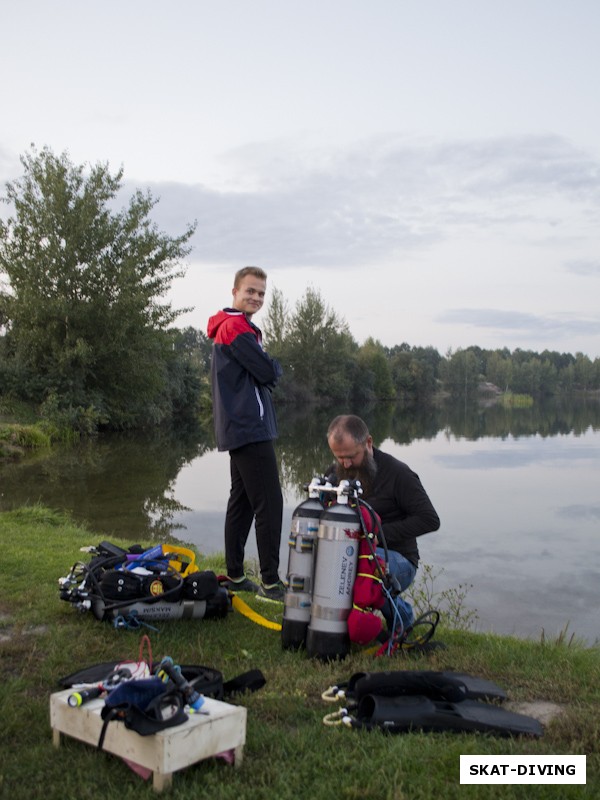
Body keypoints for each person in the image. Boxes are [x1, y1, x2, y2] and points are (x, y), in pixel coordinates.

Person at [207, 266, 285, 602]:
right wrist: (273, 365)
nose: (255, 297)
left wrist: (266, 365)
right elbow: (268, 372)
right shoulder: (236, 327)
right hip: (249, 427)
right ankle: (270, 583)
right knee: (270, 502)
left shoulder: (234, 328)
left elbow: (259, 373)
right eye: (250, 291)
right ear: (235, 292)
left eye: (261, 293)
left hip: (240, 427)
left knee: (241, 502)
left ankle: (236, 575)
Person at [326, 414, 440, 633]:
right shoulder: (335, 474)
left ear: (368, 442)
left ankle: (402, 623)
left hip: (397, 557)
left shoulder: (398, 474)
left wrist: (379, 533)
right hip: (350, 553)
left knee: (364, 572)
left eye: (351, 456)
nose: (346, 464)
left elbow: (429, 519)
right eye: (339, 457)